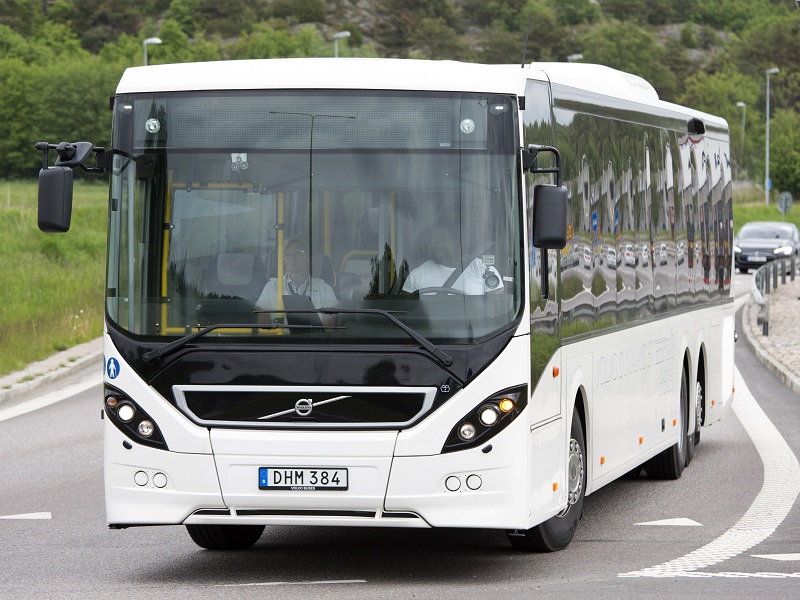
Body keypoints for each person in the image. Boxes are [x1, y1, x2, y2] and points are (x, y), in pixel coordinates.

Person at [401, 222, 503, 295]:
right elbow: (404, 310)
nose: (436, 245)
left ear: (458, 243)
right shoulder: (418, 274)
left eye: (442, 240)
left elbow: (496, 312)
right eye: (434, 240)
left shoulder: (484, 271)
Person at [256, 237, 337, 324]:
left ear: (307, 256)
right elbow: (263, 326)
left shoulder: (324, 289)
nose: (292, 258)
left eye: (298, 253)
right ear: (283, 259)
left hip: (316, 337)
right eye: (287, 254)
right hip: (279, 336)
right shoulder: (271, 287)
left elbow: (328, 330)